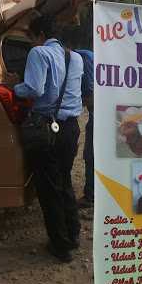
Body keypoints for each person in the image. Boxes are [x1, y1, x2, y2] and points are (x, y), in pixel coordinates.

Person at [12, 15, 84, 262]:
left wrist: (14, 87)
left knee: (48, 188)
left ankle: (60, 246)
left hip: (46, 128)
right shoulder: (76, 58)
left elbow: (34, 89)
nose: (32, 42)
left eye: (31, 37)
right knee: (64, 181)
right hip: (71, 128)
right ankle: (73, 235)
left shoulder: (39, 54)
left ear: (39, 34)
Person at [74, 49, 94, 209]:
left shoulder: (83, 58)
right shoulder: (88, 55)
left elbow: (89, 94)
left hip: (99, 114)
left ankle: (91, 195)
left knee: (91, 154)